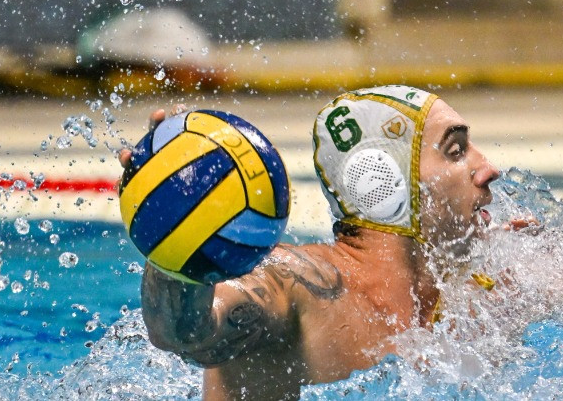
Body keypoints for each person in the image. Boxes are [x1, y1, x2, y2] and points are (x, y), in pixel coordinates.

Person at [121, 86, 502, 401]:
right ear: (383, 185)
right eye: (456, 151)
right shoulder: (295, 288)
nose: (488, 169)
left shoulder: (474, 296)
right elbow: (186, 334)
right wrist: (174, 246)